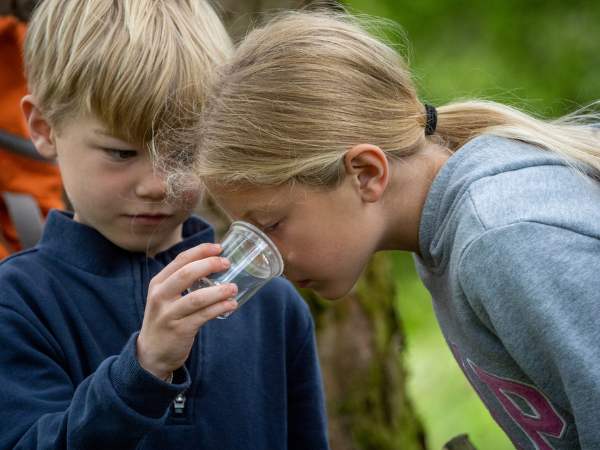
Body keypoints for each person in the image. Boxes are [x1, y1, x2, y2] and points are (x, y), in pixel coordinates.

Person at [176, 9, 600, 450]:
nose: (268, 261)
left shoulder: (501, 238)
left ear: (365, 174)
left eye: (271, 225)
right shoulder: (442, 233)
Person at [0, 1, 329, 449]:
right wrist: (141, 372)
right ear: (43, 128)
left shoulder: (275, 306)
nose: (158, 186)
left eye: (183, 155)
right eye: (122, 153)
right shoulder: (18, 303)